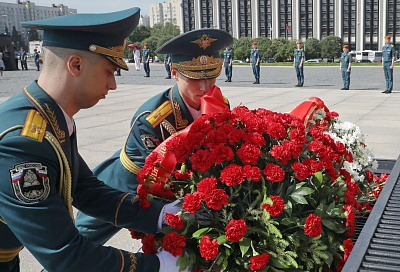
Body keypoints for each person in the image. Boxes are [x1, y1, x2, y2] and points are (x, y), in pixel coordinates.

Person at [0, 7, 188, 272]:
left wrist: (161, 214)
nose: (112, 85)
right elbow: (65, 255)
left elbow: (87, 191)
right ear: (75, 65)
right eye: (109, 72)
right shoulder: (22, 142)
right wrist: (158, 266)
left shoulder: (50, 118)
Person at [75, 28, 233, 247]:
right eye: (195, 78)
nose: (205, 87)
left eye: (211, 76)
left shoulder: (219, 103)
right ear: (175, 72)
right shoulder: (153, 119)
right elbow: (161, 176)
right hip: (124, 187)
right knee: (78, 246)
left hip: (177, 188)